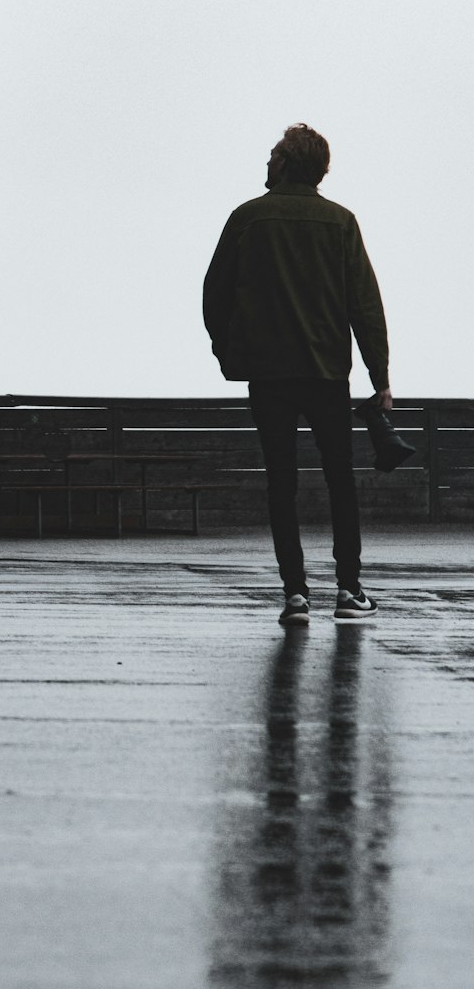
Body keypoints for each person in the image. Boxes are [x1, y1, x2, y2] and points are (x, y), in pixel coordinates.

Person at [202, 123, 390, 626]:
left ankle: (296, 595)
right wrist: (381, 377)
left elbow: (214, 294)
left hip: (269, 374)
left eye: (272, 154)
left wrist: (230, 354)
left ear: (286, 162)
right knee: (340, 481)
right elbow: (365, 305)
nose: (266, 162)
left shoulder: (248, 218)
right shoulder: (341, 222)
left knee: (280, 481)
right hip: (328, 373)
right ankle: (349, 590)